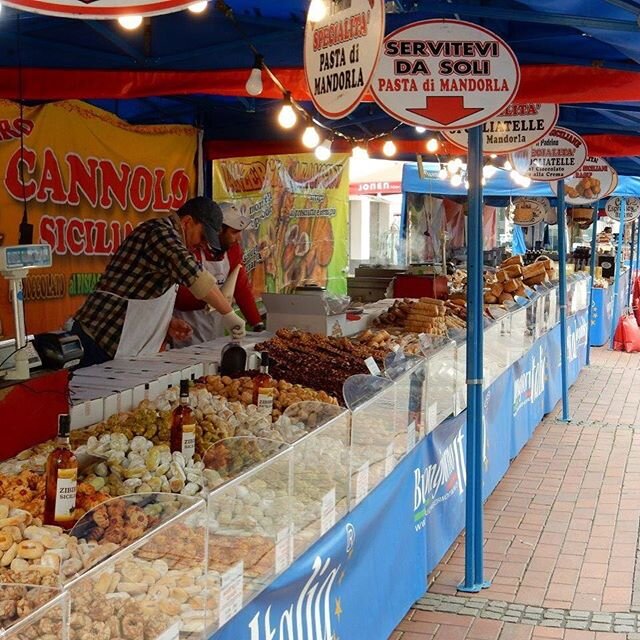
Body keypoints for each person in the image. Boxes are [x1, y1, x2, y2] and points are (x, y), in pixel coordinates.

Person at [71, 197, 246, 368]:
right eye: (202, 236)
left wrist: (164, 322)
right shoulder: (159, 233)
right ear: (187, 222)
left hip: (124, 345)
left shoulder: (169, 239)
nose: (201, 244)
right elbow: (195, 277)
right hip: (99, 338)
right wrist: (229, 314)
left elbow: (140, 291)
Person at [173, 202, 263, 344]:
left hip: (216, 330)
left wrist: (257, 324)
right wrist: (219, 300)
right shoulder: (191, 249)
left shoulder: (233, 251)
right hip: (186, 330)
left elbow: (241, 288)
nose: (239, 239)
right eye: (234, 232)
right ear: (218, 231)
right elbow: (181, 299)